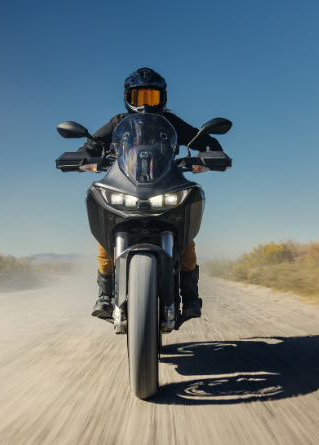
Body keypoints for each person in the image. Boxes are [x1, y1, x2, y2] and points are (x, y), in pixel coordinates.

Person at [80, 68, 223, 320]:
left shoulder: (172, 122)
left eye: (152, 96)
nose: (145, 103)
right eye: (139, 96)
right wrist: (81, 157)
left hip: (165, 184)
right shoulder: (118, 122)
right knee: (105, 242)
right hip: (125, 184)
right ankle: (105, 295)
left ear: (162, 98)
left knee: (186, 242)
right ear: (128, 98)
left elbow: (201, 139)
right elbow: (92, 144)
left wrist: (211, 153)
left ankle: (190, 297)